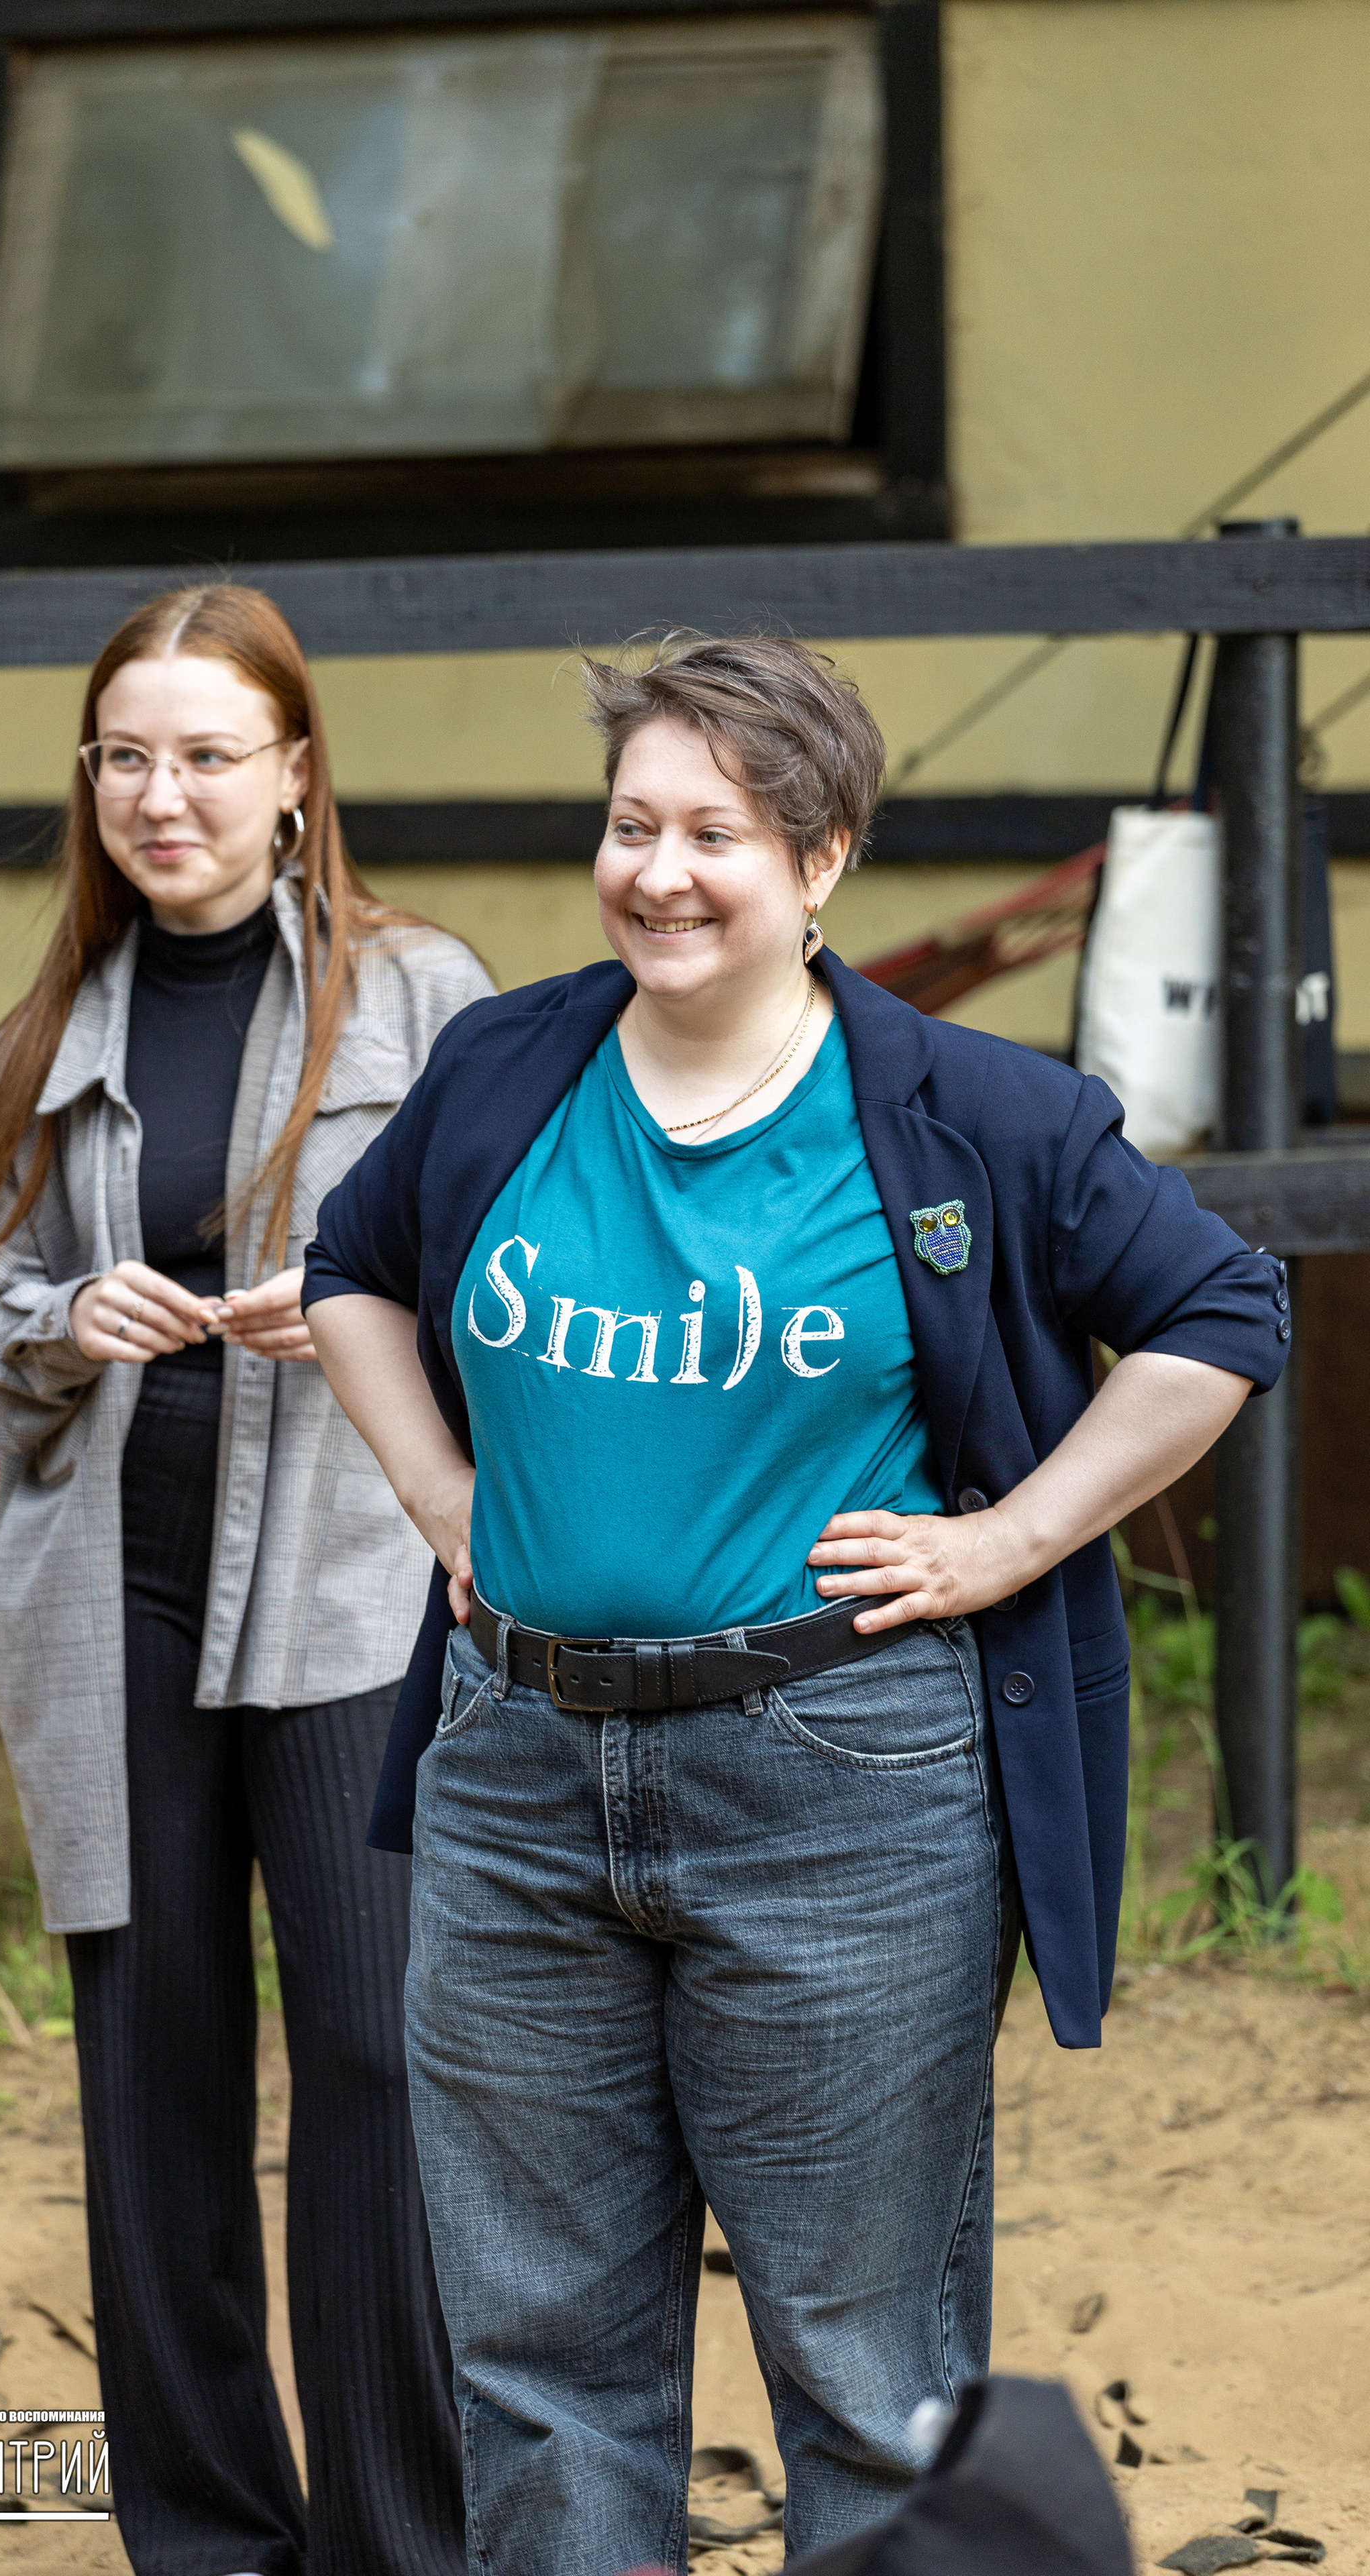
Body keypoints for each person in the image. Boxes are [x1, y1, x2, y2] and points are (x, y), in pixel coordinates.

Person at [301, 634, 1289, 2575]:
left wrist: (1008, 1541)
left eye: (717, 834)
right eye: (630, 824)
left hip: (844, 1792)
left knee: (866, 2365)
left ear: (823, 860)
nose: (659, 872)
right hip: (514, 1784)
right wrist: (439, 1495)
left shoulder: (970, 1116)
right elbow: (351, 1269)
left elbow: (1221, 1312)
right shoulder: (510, 1064)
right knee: (537, 2368)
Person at [0, 582, 490, 2576]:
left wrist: (361, 1302)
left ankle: (403, 2540)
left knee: (373, 2050)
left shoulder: (424, 999)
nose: (165, 798)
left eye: (209, 757)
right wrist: (71, 1316)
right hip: (111, 1604)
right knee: (151, 2067)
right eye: (128, 759)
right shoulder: (41, 1038)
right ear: (90, 783)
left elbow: (520, 1278)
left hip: (349, 1590)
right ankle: (208, 2540)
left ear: (296, 775)